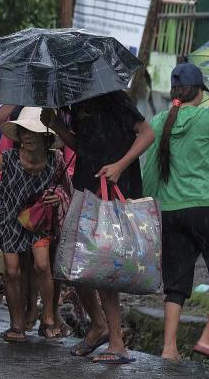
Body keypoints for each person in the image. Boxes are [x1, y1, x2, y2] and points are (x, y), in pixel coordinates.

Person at [142, 63, 209, 363]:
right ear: (199, 92)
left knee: (176, 283)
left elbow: (149, 171)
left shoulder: (160, 120)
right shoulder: (207, 119)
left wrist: (151, 208)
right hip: (205, 209)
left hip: (170, 212)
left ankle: (169, 348)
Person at [41, 91, 155, 364]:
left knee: (105, 267)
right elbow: (84, 145)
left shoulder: (114, 96)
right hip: (87, 187)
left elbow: (147, 133)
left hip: (115, 188)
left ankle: (116, 341)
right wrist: (57, 125)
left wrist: (119, 165)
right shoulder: (78, 103)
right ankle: (99, 325)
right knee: (74, 264)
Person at [0, 107, 67, 344]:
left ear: (45, 136)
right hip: (9, 216)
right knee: (12, 270)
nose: (28, 136)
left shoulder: (56, 159)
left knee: (42, 265)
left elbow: (65, 188)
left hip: (38, 218)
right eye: (24, 131)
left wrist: (57, 194)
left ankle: (48, 318)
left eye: (34, 131)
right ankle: (16, 324)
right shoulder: (8, 158)